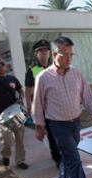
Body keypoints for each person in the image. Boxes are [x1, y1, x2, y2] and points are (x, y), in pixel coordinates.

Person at [32, 37, 92, 178]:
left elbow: (86, 94)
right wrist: (39, 127)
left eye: (72, 55)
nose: (70, 59)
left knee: (68, 153)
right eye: (66, 55)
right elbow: (38, 104)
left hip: (75, 123)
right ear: (55, 54)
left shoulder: (76, 73)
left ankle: (63, 175)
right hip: (57, 126)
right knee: (74, 158)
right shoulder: (43, 77)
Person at [0, 57, 29, 170]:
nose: (0, 66)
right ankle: (6, 155)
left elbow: (20, 90)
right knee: (6, 141)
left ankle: (20, 160)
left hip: (15, 112)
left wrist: (21, 97)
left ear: (5, 66)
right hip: (1, 116)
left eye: (2, 64)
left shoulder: (12, 78)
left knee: (20, 139)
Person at [25, 39, 61, 170]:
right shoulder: (32, 71)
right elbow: (27, 90)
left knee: (61, 131)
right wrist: (29, 107)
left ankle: (62, 152)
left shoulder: (55, 67)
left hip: (57, 105)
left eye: (46, 50)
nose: (44, 53)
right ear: (36, 54)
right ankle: (57, 158)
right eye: (40, 51)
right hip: (43, 108)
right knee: (51, 133)